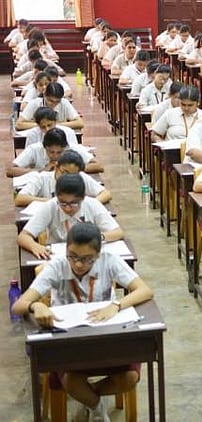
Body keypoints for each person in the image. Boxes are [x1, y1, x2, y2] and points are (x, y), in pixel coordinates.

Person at [12, 222, 153, 420]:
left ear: (98, 255)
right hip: (71, 343)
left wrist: (116, 305)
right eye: (73, 256)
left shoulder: (109, 260)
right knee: (71, 381)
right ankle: (96, 407)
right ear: (66, 250)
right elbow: (18, 305)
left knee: (129, 378)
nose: (78, 264)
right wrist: (36, 306)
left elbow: (145, 290)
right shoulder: (57, 266)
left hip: (107, 339)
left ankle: (88, 398)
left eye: (87, 259)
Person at [17, 174, 123, 259]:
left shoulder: (93, 205)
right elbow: (23, 236)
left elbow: (118, 232)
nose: (67, 208)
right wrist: (35, 246)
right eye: (62, 203)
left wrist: (98, 237)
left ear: (83, 198)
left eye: (73, 204)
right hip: (58, 257)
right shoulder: (50, 206)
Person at [15, 150, 111, 206]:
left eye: (72, 175)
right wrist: (52, 202)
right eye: (64, 172)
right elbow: (19, 198)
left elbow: (106, 194)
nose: (68, 178)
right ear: (56, 167)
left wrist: (90, 205)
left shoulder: (80, 178)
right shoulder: (42, 178)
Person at [8, 128, 100, 177]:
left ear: (65, 147)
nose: (55, 156)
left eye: (59, 152)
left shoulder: (72, 148)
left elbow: (98, 166)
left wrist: (70, 170)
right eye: (51, 152)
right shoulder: (34, 149)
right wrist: (41, 171)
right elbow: (11, 170)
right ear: (44, 147)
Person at [16, 82, 84, 130]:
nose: (53, 104)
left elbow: (80, 123)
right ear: (44, 95)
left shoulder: (64, 103)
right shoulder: (34, 103)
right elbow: (19, 124)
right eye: (51, 101)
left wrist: (54, 125)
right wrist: (44, 126)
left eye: (57, 102)